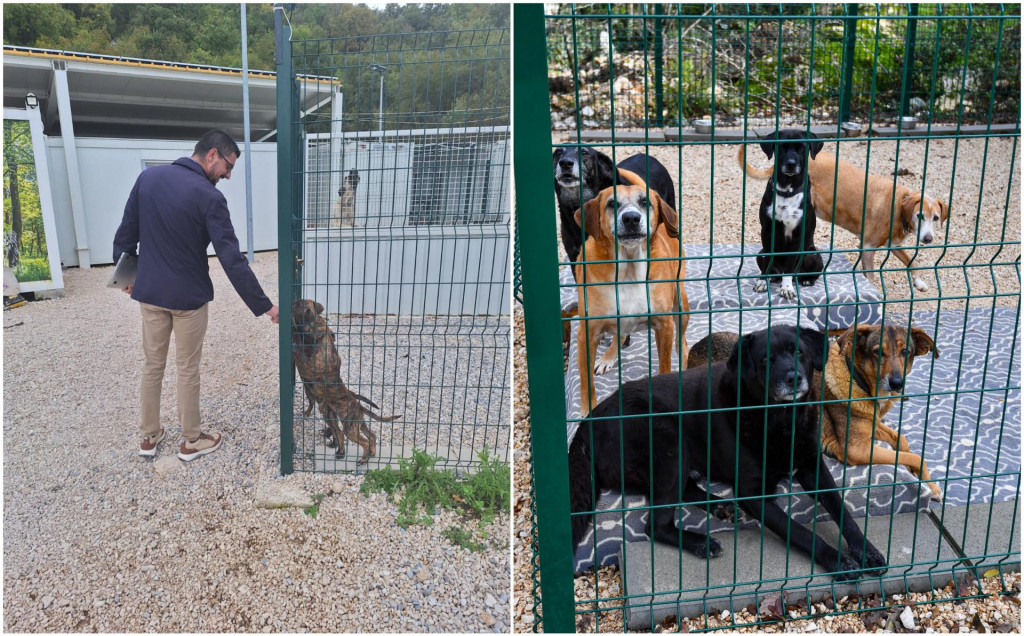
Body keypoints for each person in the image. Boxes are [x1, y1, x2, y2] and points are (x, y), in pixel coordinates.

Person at [113, 129, 279, 462]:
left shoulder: (148, 179)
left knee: (152, 365)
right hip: (188, 300)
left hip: (150, 294)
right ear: (212, 154)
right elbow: (231, 259)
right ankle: (190, 441)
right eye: (228, 166)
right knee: (187, 369)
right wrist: (265, 306)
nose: (228, 175)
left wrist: (126, 278)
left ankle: (149, 437)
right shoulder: (210, 197)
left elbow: (126, 231)